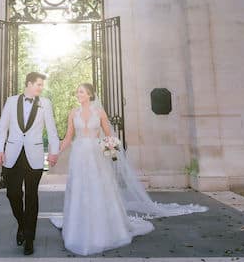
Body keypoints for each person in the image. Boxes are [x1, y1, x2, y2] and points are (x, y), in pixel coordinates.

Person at [49, 83, 209, 256]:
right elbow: (67, 137)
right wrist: (55, 153)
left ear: (89, 94)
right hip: (79, 156)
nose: (78, 94)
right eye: (77, 92)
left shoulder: (99, 113)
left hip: (96, 157)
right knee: (80, 190)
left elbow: (109, 136)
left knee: (99, 189)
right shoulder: (74, 113)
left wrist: (115, 158)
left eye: (81, 92)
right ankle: (79, 227)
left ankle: (103, 228)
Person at [0, 71, 60, 255]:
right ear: (29, 84)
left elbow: (52, 129)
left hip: (35, 155)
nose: (41, 87)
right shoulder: (11, 101)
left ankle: (29, 238)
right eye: (39, 84)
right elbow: (2, 128)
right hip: (12, 154)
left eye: (42, 85)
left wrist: (54, 152)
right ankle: (22, 225)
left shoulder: (45, 103)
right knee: (12, 194)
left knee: (32, 197)